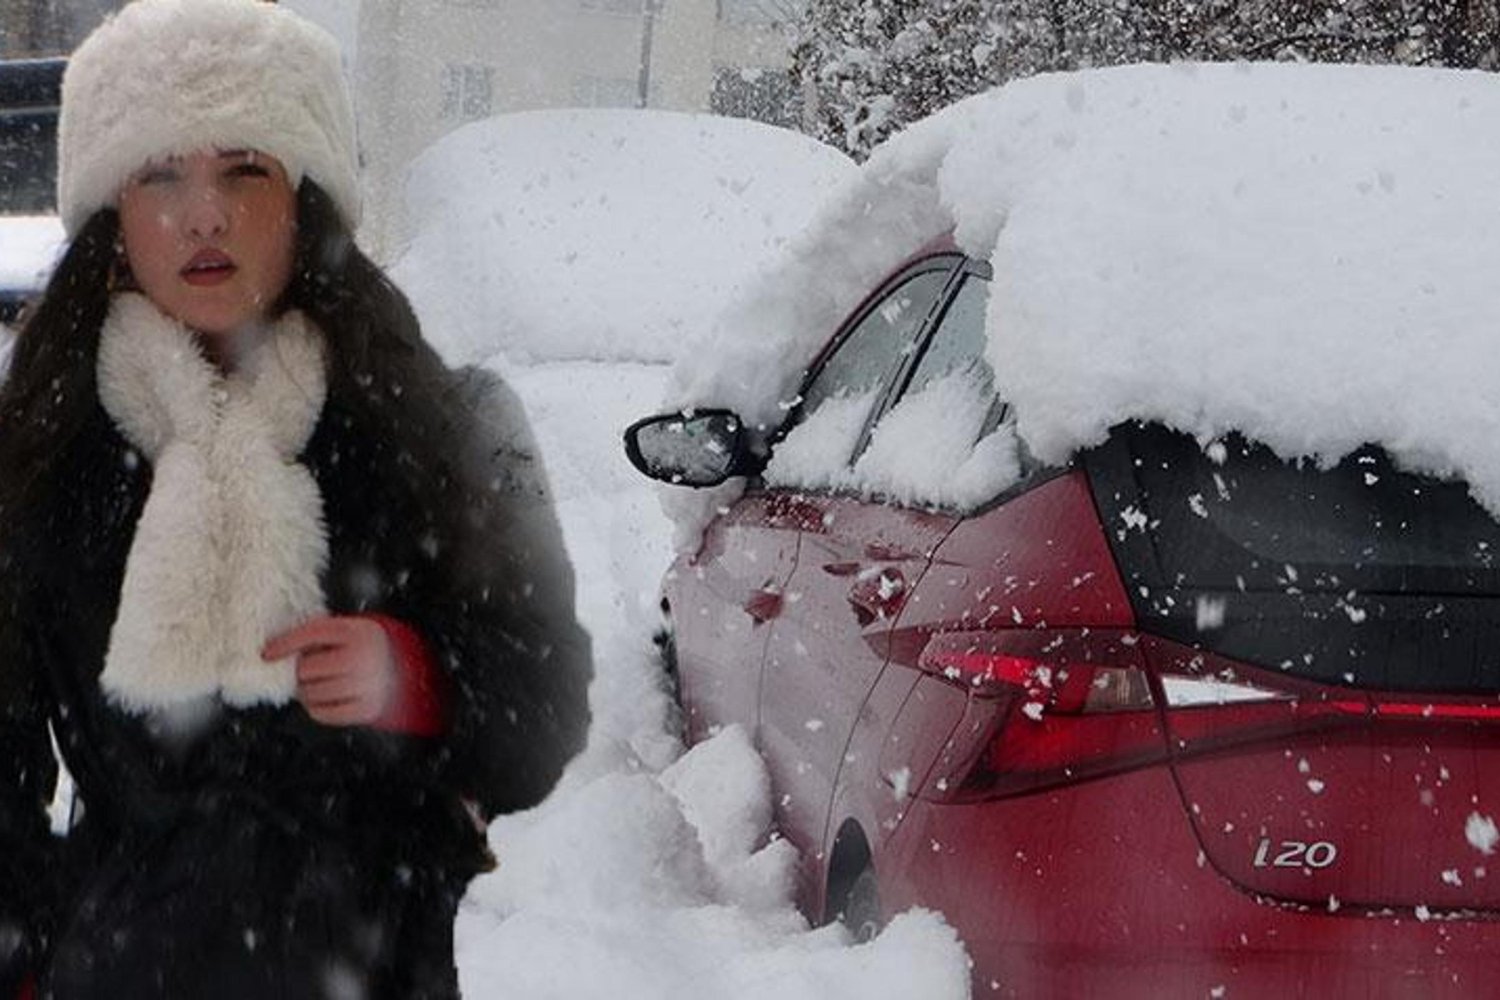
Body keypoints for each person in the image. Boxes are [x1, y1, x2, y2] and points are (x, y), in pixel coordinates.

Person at [0, 1, 593, 996]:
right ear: (111, 215)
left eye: (244, 169)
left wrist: (421, 677)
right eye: (160, 173)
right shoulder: (45, 452)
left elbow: (546, 709)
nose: (204, 214)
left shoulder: (429, 424)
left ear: (305, 197)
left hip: (374, 960)